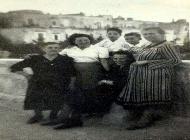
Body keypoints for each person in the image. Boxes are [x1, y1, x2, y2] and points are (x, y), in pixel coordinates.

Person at [117, 27, 182, 130]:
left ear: (161, 34)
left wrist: (147, 62)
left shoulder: (167, 45)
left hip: (157, 76)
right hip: (143, 75)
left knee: (152, 96)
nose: (148, 36)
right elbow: (138, 51)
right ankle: (142, 116)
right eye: (146, 34)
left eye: (151, 33)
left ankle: (146, 119)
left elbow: (175, 61)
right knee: (143, 95)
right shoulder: (147, 44)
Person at [47, 33, 110, 129]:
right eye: (79, 40)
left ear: (90, 40)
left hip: (92, 74)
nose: (83, 42)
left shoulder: (99, 49)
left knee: (84, 94)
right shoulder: (69, 50)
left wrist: (109, 74)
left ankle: (72, 118)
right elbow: (56, 57)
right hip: (75, 74)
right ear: (74, 41)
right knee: (73, 94)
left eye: (85, 39)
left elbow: (105, 63)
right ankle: (66, 118)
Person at [10, 42, 76, 124]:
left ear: (59, 49)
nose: (53, 49)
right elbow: (14, 67)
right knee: (36, 99)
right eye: (50, 47)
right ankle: (38, 115)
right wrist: (26, 75)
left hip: (59, 83)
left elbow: (73, 73)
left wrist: (71, 83)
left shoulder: (66, 60)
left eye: (56, 48)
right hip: (38, 83)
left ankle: (53, 115)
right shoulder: (34, 59)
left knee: (57, 99)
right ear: (44, 49)